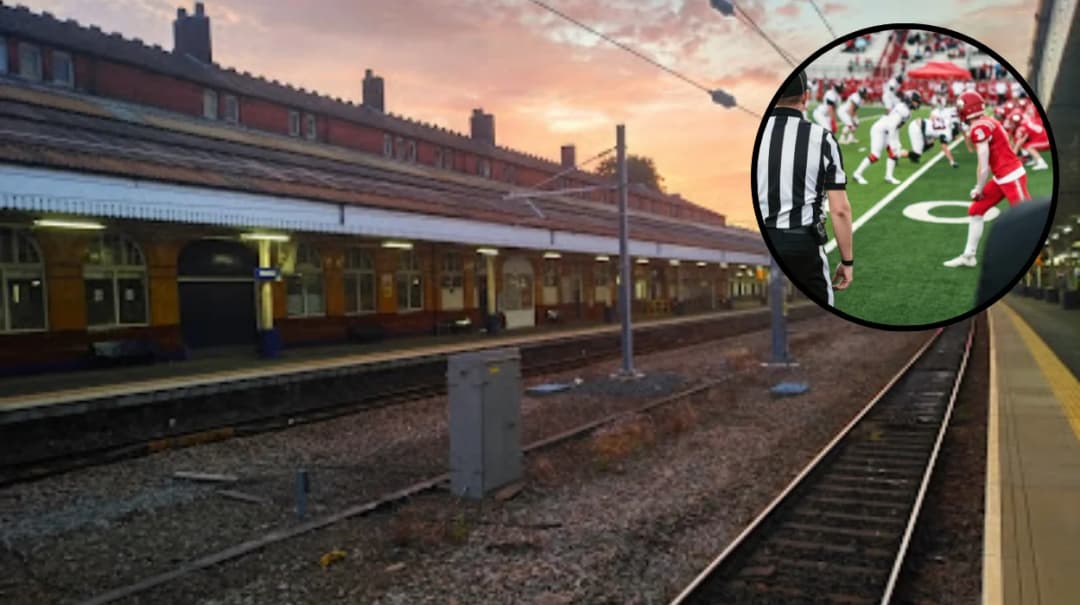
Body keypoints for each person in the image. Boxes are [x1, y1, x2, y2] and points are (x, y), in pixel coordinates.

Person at [756, 71, 854, 306]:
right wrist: (847, 262)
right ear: (806, 96)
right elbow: (840, 209)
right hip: (802, 242)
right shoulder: (821, 138)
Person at [943, 91, 1031, 268]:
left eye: (961, 107)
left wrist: (978, 188)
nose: (959, 110)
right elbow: (976, 152)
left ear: (968, 108)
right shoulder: (985, 122)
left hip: (1011, 176)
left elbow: (983, 166)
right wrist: (965, 132)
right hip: (1002, 176)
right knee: (976, 210)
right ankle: (969, 256)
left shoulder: (980, 127)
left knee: (1028, 219)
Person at [851, 91, 922, 185]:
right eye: (915, 101)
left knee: (893, 154)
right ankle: (857, 174)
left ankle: (889, 177)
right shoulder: (903, 110)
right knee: (875, 156)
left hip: (887, 131)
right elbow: (892, 126)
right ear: (910, 100)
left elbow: (896, 127)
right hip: (880, 130)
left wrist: (896, 141)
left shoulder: (906, 110)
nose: (917, 104)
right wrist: (893, 141)